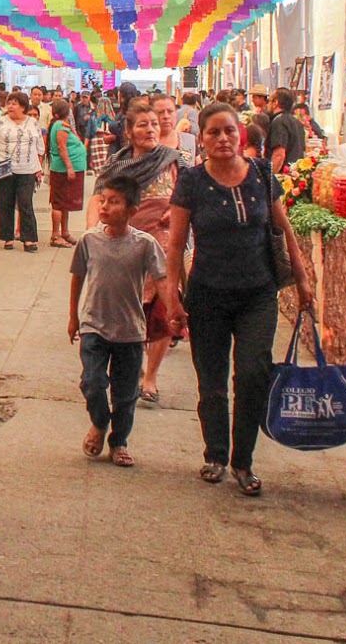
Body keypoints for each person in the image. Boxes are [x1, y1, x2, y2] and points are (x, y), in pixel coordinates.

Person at [168, 102, 312, 498]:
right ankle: (215, 454)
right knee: (211, 381)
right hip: (207, 295)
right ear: (202, 138)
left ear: (241, 134)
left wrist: (303, 282)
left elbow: (286, 231)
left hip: (257, 294)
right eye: (213, 132)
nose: (223, 139)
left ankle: (243, 461)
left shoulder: (263, 175)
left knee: (252, 375)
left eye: (229, 131)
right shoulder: (192, 182)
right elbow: (176, 243)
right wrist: (172, 297)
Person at [69, 171, 176, 469]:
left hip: (130, 330)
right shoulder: (90, 240)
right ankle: (100, 422)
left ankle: (119, 441)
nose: (104, 207)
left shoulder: (144, 244)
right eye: (103, 200)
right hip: (94, 326)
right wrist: (72, 317)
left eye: (113, 202)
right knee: (92, 382)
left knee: (126, 394)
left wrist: (174, 311)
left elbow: (162, 279)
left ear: (132, 211)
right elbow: (77, 276)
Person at [97, 100, 187, 405]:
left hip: (164, 246)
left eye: (154, 123)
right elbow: (102, 202)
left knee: (161, 315)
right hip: (126, 248)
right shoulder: (118, 166)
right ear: (129, 131)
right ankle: (129, 371)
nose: (151, 129)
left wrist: (176, 212)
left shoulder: (173, 160)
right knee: (127, 315)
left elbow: (189, 195)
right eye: (142, 125)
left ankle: (151, 378)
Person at [0, 90, 44, 252]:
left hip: (28, 169)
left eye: (14, 104)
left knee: (25, 202)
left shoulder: (33, 123)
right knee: (5, 202)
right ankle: (7, 237)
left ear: (23, 107)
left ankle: (29, 239)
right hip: (4, 168)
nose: (10, 107)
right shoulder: (0, 122)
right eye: (9, 103)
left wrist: (38, 167)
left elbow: (40, 147)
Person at [47, 99, 86, 248]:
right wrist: (69, 167)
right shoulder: (60, 127)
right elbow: (62, 148)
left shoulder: (64, 125)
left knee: (66, 204)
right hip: (62, 171)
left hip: (69, 169)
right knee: (58, 202)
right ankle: (55, 235)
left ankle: (65, 231)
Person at [266, 88, 306, 173]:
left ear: (275, 103)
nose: (267, 104)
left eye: (269, 101)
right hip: (295, 174)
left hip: (283, 176)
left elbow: (279, 155)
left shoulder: (279, 122)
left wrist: (270, 178)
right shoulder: (297, 122)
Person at [153, 93, 195, 159]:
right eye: (160, 112)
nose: (166, 116)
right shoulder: (144, 143)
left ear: (176, 113)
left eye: (170, 111)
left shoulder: (190, 140)